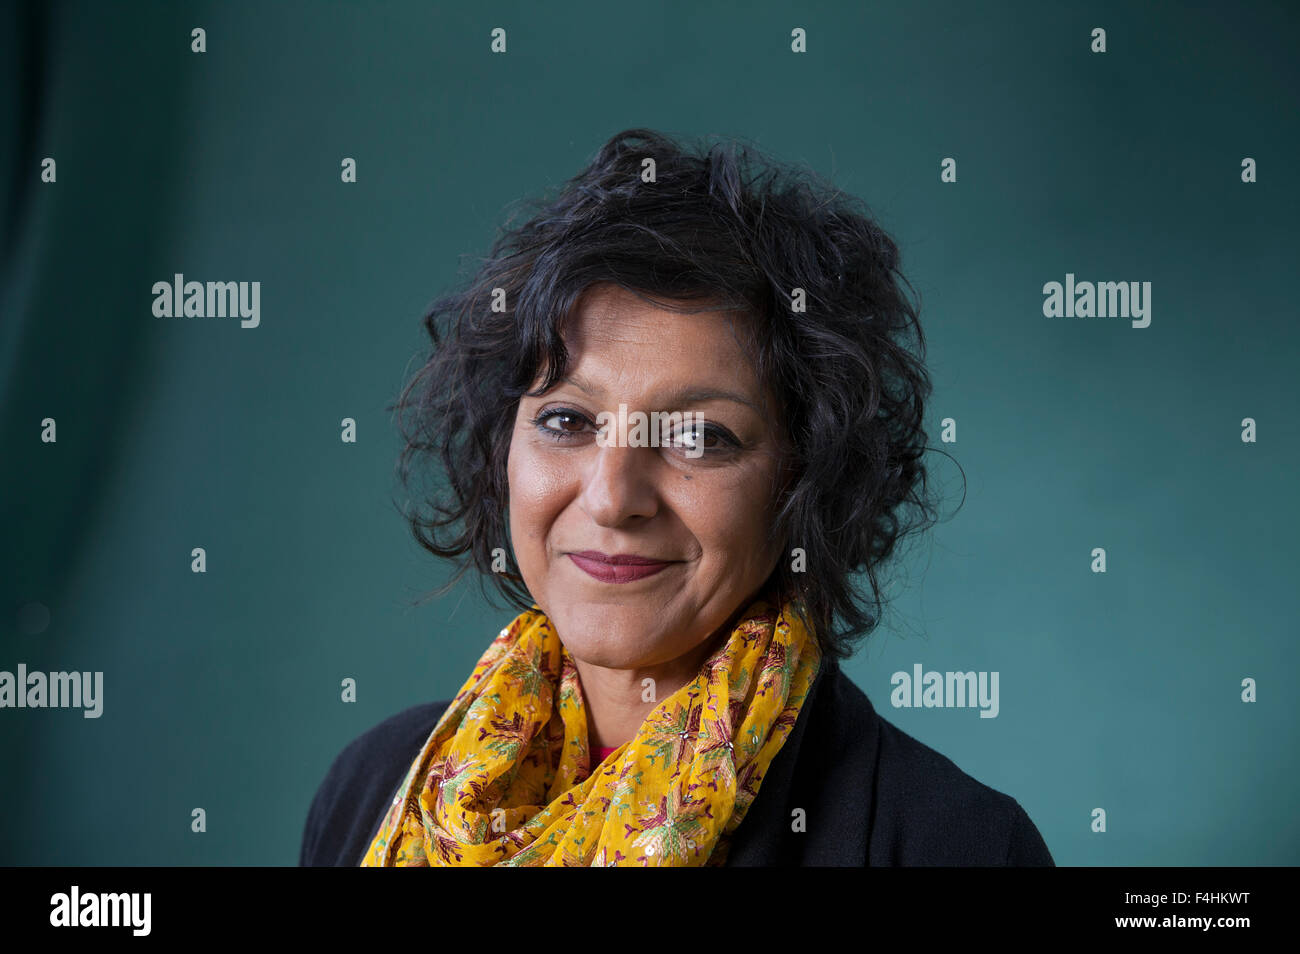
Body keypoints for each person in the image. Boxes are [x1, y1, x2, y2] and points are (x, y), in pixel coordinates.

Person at [299, 127, 1054, 867]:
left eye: (699, 437)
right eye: (567, 420)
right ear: (504, 448)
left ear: (807, 478)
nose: (611, 497)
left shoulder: (953, 844)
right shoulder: (373, 787)